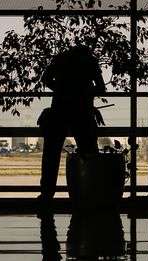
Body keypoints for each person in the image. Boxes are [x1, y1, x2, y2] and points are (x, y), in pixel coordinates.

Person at [37, 45, 105, 202]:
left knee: (51, 156)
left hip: (59, 111)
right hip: (82, 112)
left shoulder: (60, 60)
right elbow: (101, 88)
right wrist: (84, 94)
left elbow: (45, 79)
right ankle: (89, 193)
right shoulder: (90, 62)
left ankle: (46, 194)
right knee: (89, 154)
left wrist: (61, 91)